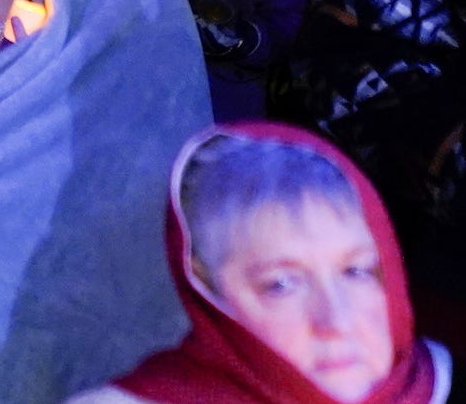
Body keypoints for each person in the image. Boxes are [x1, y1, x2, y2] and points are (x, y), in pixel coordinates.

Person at [64, 125, 449, 404]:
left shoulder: (440, 384)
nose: (337, 320)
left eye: (357, 271)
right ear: (206, 287)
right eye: (281, 284)